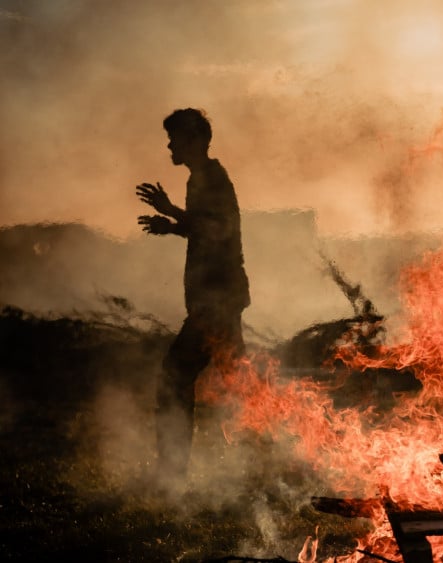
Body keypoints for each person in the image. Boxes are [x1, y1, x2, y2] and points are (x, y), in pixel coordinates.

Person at [136, 108, 250, 488]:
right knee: (240, 383)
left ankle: (170, 474)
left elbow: (218, 230)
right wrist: (171, 227)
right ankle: (291, 445)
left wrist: (170, 211)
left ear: (196, 141)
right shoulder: (199, 178)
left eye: (175, 139)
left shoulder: (211, 178)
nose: (170, 146)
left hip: (217, 301)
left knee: (175, 375)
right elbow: (204, 231)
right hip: (217, 298)